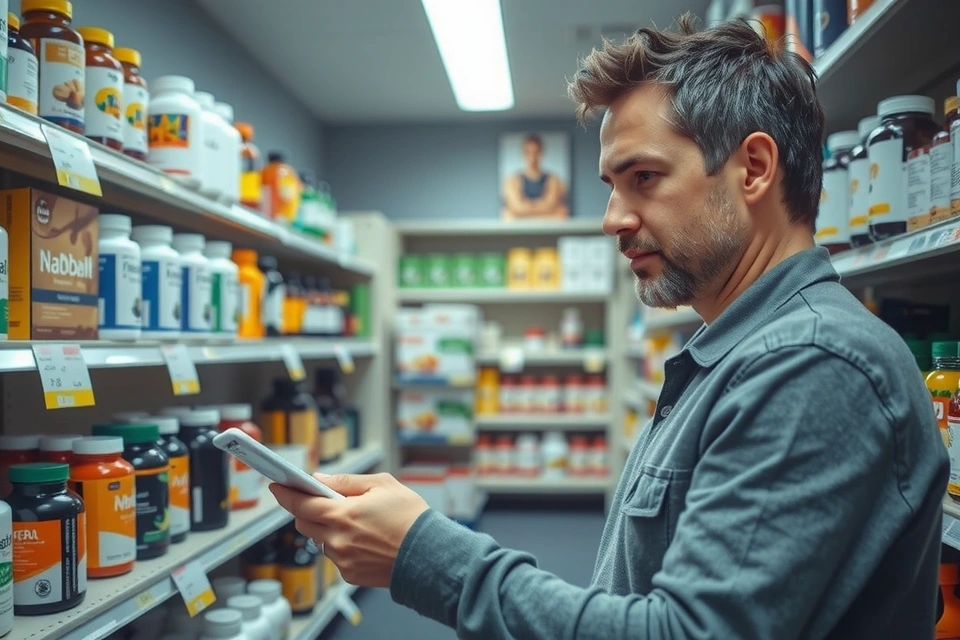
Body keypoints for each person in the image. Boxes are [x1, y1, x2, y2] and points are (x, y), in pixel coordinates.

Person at [271, 15, 948, 639]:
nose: (612, 217)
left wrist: (425, 553)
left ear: (754, 168)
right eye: (610, 185)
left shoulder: (813, 364)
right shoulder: (736, 353)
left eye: (644, 177)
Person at [500, 133, 570, 220]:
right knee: (507, 214)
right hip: (523, 229)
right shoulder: (512, 180)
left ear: (541, 153)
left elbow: (551, 205)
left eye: (536, 152)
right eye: (528, 152)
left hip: (546, 228)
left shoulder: (554, 179)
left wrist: (526, 208)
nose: (532, 157)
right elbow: (517, 207)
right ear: (523, 153)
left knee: (561, 212)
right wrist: (543, 209)